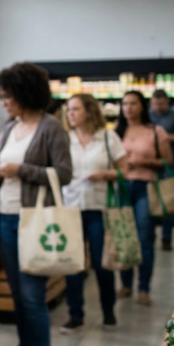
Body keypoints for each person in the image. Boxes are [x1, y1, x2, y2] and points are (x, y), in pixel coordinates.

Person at [0, 62, 71, 346]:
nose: (4, 102)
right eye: (2, 97)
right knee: (18, 295)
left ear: (25, 93)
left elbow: (63, 173)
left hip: (34, 220)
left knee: (33, 297)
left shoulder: (51, 128)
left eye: (8, 96)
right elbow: (3, 167)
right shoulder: (9, 127)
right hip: (5, 217)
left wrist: (20, 169)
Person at [60, 95, 129, 333]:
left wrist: (105, 175)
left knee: (102, 263)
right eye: (69, 110)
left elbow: (124, 171)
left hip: (100, 207)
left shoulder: (108, 138)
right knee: (74, 263)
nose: (71, 114)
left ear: (89, 111)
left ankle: (108, 311)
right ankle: (75, 314)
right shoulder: (65, 139)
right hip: (71, 207)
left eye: (76, 109)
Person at [116, 91, 172, 305]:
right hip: (121, 187)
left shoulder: (155, 131)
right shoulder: (116, 132)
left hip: (145, 187)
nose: (128, 108)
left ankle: (144, 287)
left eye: (133, 103)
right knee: (124, 236)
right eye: (125, 104)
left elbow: (167, 161)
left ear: (142, 106)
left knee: (144, 236)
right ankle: (126, 284)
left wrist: (142, 163)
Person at [149, 90, 174, 251]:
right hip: (149, 165)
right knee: (149, 202)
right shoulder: (146, 116)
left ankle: (166, 238)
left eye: (161, 104)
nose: (158, 107)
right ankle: (149, 236)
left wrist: (165, 137)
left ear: (167, 102)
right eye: (155, 104)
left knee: (168, 201)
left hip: (168, 165)